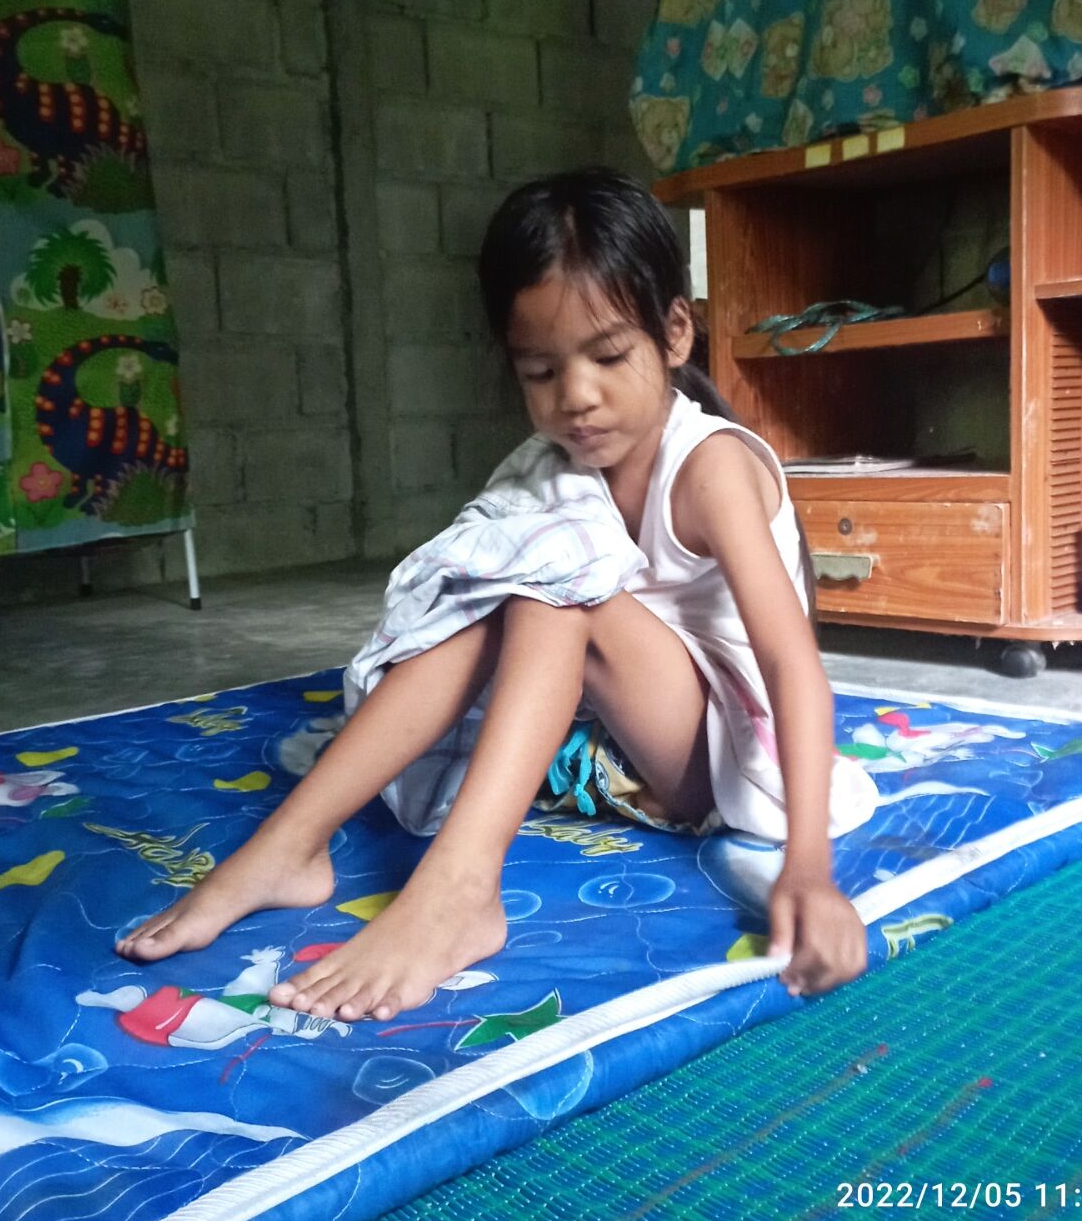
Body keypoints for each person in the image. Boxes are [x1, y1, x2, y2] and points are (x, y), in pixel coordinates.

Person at [117, 168, 877, 1022]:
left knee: (555, 586)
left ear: (674, 334)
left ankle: (461, 887)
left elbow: (790, 662)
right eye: (540, 370)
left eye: (608, 357)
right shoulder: (552, 471)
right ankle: (289, 845)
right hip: (622, 744)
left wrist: (807, 867)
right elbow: (450, 606)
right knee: (507, 585)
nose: (576, 397)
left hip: (720, 756)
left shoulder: (711, 468)